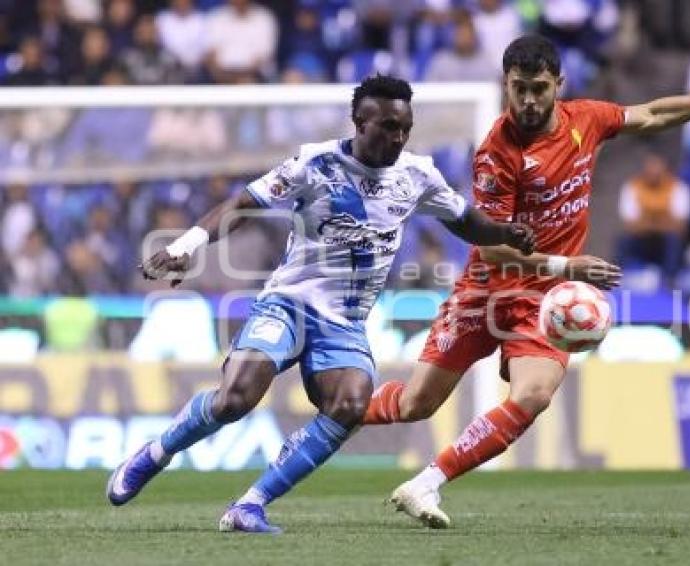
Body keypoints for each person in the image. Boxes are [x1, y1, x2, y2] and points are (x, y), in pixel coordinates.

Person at [362, 34, 690, 528]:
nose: (530, 100)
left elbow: (654, 114)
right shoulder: (498, 149)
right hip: (486, 288)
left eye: (539, 88)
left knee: (533, 396)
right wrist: (566, 266)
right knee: (415, 404)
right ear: (505, 85)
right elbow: (493, 248)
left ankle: (425, 484)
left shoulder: (586, 119)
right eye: (519, 88)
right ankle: (342, 409)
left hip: (543, 302)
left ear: (558, 83)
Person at [105, 75, 535, 534]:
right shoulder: (315, 163)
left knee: (350, 403)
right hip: (287, 303)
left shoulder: (417, 175)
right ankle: (156, 453)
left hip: (344, 323)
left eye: (405, 128)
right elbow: (241, 205)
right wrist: (187, 246)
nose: (398, 137)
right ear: (359, 121)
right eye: (388, 126)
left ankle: (250, 505)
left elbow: (466, 221)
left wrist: (505, 232)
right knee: (236, 397)